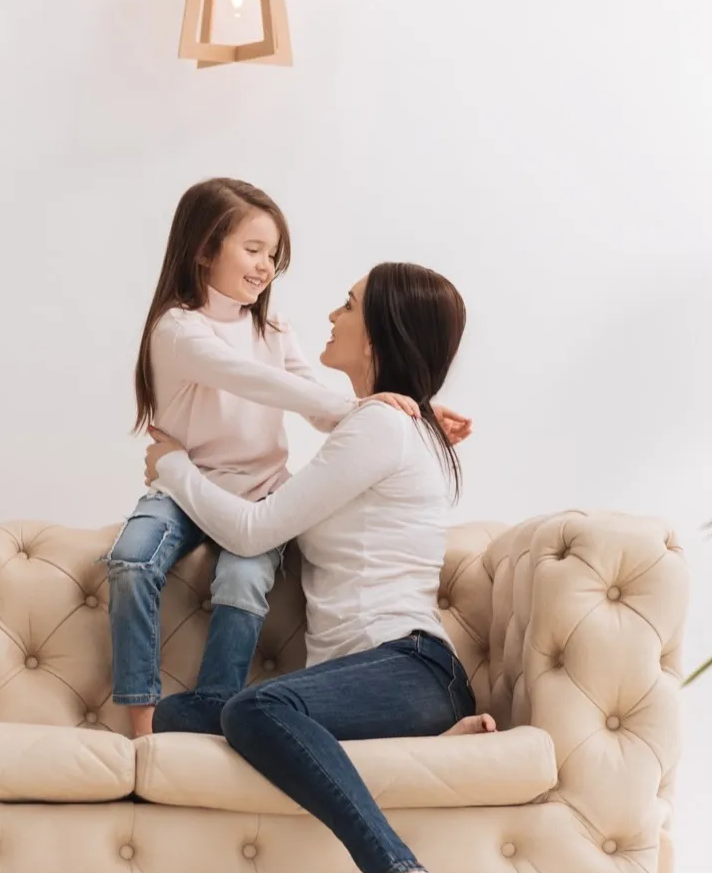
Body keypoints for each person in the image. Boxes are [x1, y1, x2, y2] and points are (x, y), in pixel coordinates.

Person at [146, 261, 493, 873]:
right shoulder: (391, 425)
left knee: (254, 709)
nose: (332, 315)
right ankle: (420, 735)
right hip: (367, 683)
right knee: (167, 718)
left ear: (380, 336)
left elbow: (251, 531)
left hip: (411, 665)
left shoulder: (380, 428)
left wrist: (173, 465)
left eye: (349, 304)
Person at [107, 179, 467, 736]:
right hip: (184, 489)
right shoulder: (178, 330)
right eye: (253, 251)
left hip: (258, 491)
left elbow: (319, 409)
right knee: (131, 560)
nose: (265, 267)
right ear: (204, 248)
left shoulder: (274, 331)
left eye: (273, 256)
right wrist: (375, 408)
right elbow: (256, 381)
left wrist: (407, 412)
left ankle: (217, 704)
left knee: (244, 582)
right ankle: (141, 713)